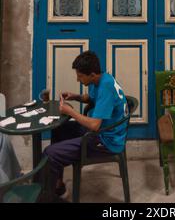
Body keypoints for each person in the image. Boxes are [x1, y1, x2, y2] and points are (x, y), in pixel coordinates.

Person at [43, 50, 127, 200]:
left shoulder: (105, 87)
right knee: (58, 130)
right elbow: (91, 97)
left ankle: (49, 197)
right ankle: (57, 185)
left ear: (92, 74)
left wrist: (70, 112)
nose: (77, 79)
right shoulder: (102, 78)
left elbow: (95, 125)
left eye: (80, 76)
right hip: (101, 132)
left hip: (106, 141)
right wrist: (75, 96)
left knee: (50, 154)